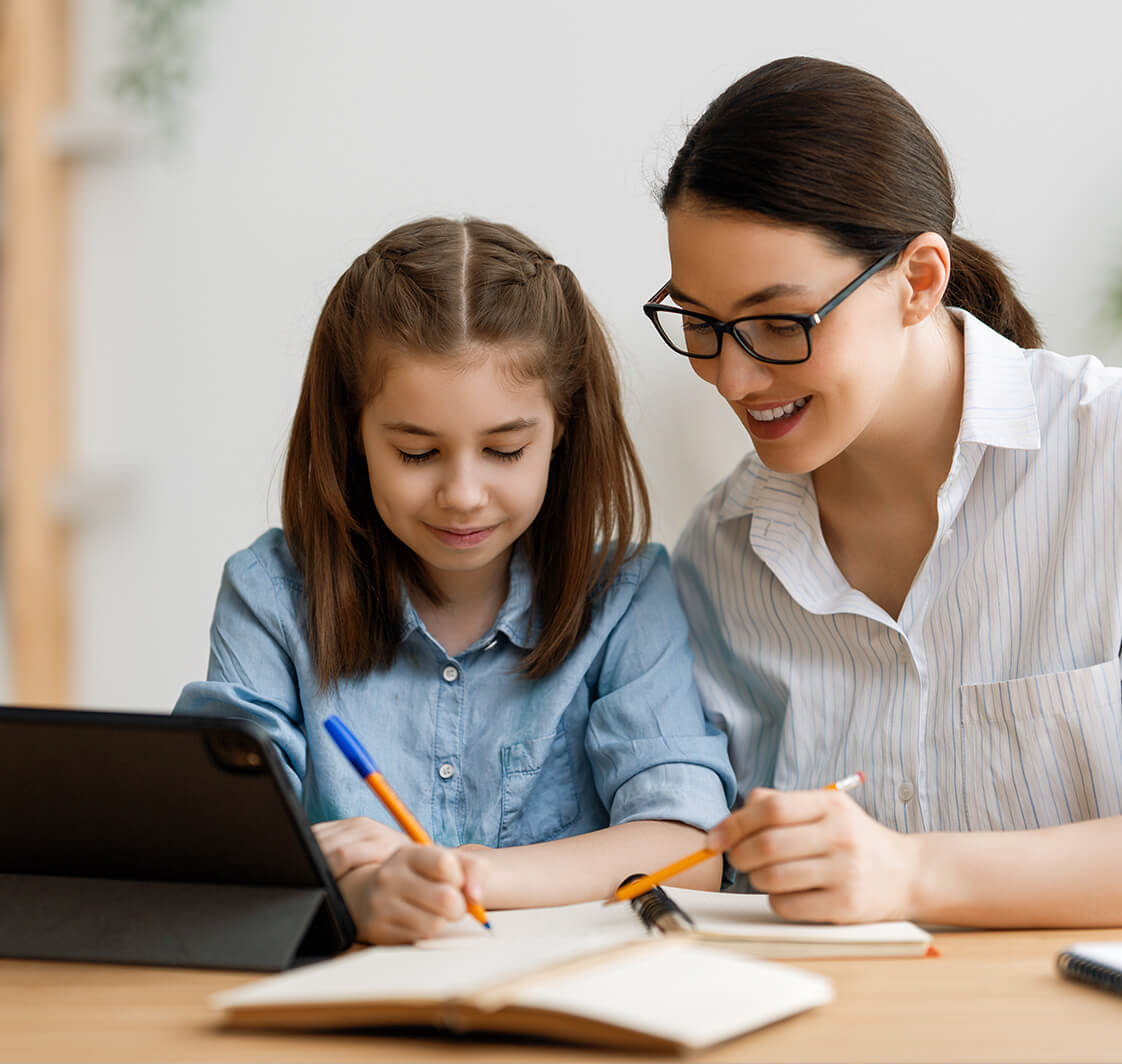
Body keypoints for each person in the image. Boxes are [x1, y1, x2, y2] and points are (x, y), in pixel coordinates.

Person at [645, 56, 1122, 928]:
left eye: (779, 324)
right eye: (703, 325)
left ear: (919, 281)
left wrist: (912, 874)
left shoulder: (1108, 459)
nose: (735, 377)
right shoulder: (719, 555)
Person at [175, 217, 734, 944]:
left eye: (505, 449)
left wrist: (468, 875)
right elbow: (208, 839)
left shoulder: (625, 597)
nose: (463, 493)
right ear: (353, 431)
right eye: (416, 452)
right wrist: (363, 891)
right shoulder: (272, 595)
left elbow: (688, 851)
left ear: (560, 428)